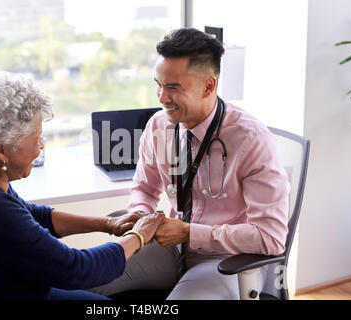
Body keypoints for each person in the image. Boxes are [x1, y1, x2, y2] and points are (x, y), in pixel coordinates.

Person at [0, 70, 164, 300]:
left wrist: (108, 224)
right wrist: (138, 236)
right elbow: (77, 269)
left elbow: (33, 215)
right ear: (1, 151)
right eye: (36, 139)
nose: (41, 146)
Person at [91, 28, 290, 300]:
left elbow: (271, 237)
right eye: (158, 84)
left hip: (227, 259)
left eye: (173, 87)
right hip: (170, 248)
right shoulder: (158, 126)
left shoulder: (251, 139)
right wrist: (140, 213)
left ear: (208, 86)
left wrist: (190, 233)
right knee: (83, 279)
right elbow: (145, 189)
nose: (161, 97)